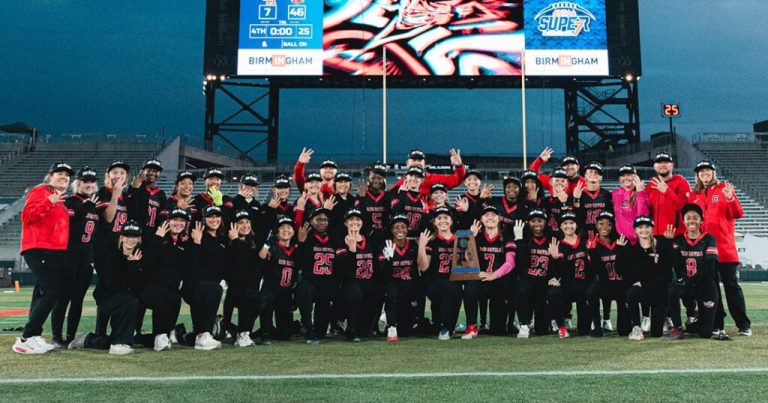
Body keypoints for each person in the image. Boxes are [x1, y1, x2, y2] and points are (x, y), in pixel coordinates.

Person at [13, 162, 74, 354]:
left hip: (52, 250)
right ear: (50, 176)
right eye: (60, 174)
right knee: (52, 291)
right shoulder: (42, 191)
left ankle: (34, 335)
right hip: (39, 248)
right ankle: (25, 338)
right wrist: (49, 201)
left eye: (67, 175)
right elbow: (27, 216)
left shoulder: (59, 198)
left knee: (41, 293)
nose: (64, 177)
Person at [689, 160, 751, 336]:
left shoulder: (724, 188)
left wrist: (730, 198)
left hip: (725, 248)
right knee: (712, 290)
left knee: (732, 287)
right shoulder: (695, 194)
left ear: (713, 173)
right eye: (701, 171)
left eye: (707, 170)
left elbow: (738, 213)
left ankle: (744, 325)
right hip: (706, 252)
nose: (704, 173)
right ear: (698, 175)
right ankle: (717, 324)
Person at [70, 221, 143, 355]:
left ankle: (89, 339)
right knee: (130, 302)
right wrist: (130, 265)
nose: (130, 240)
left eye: (134, 237)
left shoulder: (140, 256)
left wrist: (133, 265)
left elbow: (137, 284)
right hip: (107, 298)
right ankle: (119, 343)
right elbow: (111, 282)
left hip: (123, 300)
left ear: (139, 239)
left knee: (131, 301)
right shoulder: (112, 254)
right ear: (121, 237)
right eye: (127, 236)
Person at [51, 167, 99, 348]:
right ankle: (56, 337)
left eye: (92, 182)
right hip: (68, 257)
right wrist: (86, 206)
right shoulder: (69, 201)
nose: (89, 185)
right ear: (77, 183)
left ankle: (70, 337)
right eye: (85, 181)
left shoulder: (95, 204)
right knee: (63, 298)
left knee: (78, 299)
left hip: (86, 259)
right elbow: (69, 221)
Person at [667, 203, 729, 341]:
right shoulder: (678, 240)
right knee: (672, 291)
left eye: (695, 217)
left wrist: (692, 281)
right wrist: (668, 242)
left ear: (701, 220)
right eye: (688, 218)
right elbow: (676, 264)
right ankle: (677, 328)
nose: (692, 221)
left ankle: (696, 322)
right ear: (683, 221)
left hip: (704, 284)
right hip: (687, 284)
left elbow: (710, 266)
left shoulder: (709, 239)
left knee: (705, 333)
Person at [135, 208, 189, 351]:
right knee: (166, 297)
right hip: (148, 288)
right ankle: (160, 335)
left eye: (182, 221)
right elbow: (146, 262)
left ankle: (161, 335)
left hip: (170, 290)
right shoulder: (155, 238)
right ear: (167, 221)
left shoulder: (183, 244)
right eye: (175, 220)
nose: (178, 223)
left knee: (175, 298)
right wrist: (157, 238)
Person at [465, 206, 517, 337]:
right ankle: (471, 326)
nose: (490, 218)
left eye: (493, 215)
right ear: (481, 219)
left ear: (499, 218)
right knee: (470, 287)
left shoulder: (506, 236)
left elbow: (510, 263)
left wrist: (494, 275)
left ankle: (501, 324)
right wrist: (471, 237)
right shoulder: (477, 236)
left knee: (498, 331)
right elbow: (466, 259)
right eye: (486, 215)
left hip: (499, 281)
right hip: (481, 279)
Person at [622, 216, 675, 340]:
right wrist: (620, 249)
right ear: (635, 230)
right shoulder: (632, 249)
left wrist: (645, 283)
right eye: (640, 227)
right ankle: (636, 327)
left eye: (647, 227)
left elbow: (667, 275)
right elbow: (627, 273)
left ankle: (659, 320)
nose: (644, 230)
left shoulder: (660, 247)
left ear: (652, 229)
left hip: (657, 293)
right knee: (631, 292)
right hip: (642, 293)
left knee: (656, 334)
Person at [513, 209, 564, 338]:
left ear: (545, 222)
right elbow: (520, 263)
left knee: (542, 330)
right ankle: (524, 324)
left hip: (544, 283)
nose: (537, 224)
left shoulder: (552, 239)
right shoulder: (525, 238)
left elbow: (558, 264)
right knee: (521, 287)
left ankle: (554, 321)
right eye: (533, 221)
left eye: (540, 221)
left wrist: (556, 276)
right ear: (528, 223)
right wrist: (519, 241)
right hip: (529, 282)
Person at [182, 205, 226, 350]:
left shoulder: (222, 238)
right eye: (210, 217)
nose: (214, 220)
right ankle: (203, 335)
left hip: (209, 286)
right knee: (213, 288)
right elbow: (190, 265)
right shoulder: (197, 235)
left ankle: (196, 335)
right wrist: (196, 243)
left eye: (217, 216)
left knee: (213, 288)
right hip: (193, 284)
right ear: (204, 219)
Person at [295, 208, 340, 344]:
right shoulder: (306, 237)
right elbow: (297, 262)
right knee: (305, 290)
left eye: (325, 219)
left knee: (320, 333)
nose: (322, 222)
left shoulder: (333, 238)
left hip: (326, 284)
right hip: (310, 282)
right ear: (311, 221)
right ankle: (307, 328)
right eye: (318, 219)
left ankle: (306, 328)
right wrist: (301, 243)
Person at [337, 209, 382, 341]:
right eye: (351, 219)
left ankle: (370, 325)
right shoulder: (340, 241)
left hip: (368, 282)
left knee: (364, 332)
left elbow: (376, 264)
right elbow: (342, 270)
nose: (355, 222)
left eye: (358, 219)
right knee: (355, 292)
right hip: (350, 283)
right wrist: (351, 250)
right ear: (345, 223)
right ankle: (350, 327)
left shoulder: (369, 240)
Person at [418, 207, 462, 340]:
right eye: (439, 218)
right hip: (434, 282)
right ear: (434, 222)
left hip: (454, 281)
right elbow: (424, 267)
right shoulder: (432, 241)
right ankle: (445, 326)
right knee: (448, 286)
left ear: (451, 221)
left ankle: (446, 326)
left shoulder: (460, 239)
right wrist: (421, 246)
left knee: (455, 287)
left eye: (446, 217)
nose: (443, 220)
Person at [224, 210, 267, 347]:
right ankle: (241, 333)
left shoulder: (252, 244)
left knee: (258, 298)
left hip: (249, 289)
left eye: (247, 222)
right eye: (241, 222)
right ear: (233, 226)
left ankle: (243, 333)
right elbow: (241, 264)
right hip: (235, 291)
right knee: (256, 298)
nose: (245, 225)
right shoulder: (229, 244)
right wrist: (235, 240)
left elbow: (254, 268)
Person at [586, 211, 630, 337]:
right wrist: (593, 253)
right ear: (596, 225)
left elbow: (626, 268)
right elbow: (596, 270)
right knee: (592, 290)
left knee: (624, 331)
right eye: (601, 223)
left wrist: (621, 250)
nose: (605, 227)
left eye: (609, 224)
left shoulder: (621, 241)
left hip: (622, 286)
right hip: (607, 285)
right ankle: (597, 326)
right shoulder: (593, 244)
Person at [549, 211, 591, 336]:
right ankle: (561, 326)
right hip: (568, 285)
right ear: (560, 227)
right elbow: (557, 269)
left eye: (571, 223)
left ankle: (590, 322)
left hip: (584, 284)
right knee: (553, 292)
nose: (568, 226)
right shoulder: (559, 245)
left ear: (576, 225)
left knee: (584, 331)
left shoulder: (585, 241)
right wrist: (555, 259)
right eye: (565, 223)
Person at [258, 217, 299, 345]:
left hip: (285, 293)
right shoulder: (272, 248)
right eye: (282, 227)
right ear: (277, 232)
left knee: (285, 334)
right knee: (266, 299)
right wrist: (267, 244)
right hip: (271, 290)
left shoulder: (296, 250)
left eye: (289, 227)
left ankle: (287, 327)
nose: (286, 230)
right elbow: (261, 258)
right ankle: (264, 332)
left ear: (293, 231)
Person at [379, 214, 419, 342]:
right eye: (396, 227)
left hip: (408, 284)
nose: (400, 230)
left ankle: (405, 320)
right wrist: (387, 260)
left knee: (406, 332)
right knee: (392, 292)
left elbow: (415, 271)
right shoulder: (386, 245)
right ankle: (391, 326)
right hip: (392, 283)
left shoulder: (413, 246)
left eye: (403, 226)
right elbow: (383, 273)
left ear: (408, 229)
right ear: (391, 230)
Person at [645, 152, 690, 237]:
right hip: (654, 235)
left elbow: (685, 207)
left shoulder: (681, 182)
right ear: (654, 166)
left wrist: (667, 192)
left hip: (675, 234)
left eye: (665, 162)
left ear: (672, 165)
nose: (662, 165)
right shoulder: (651, 184)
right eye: (659, 162)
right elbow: (646, 209)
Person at [389, 149, 466, 196]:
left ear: (425, 164)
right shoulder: (402, 184)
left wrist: (459, 166)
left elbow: (456, 180)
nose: (416, 163)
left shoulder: (434, 179)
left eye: (419, 160)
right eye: (414, 160)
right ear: (407, 163)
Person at [127, 159, 167, 239]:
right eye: (149, 170)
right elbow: (130, 209)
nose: (152, 173)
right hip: (134, 232)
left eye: (155, 171)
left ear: (159, 174)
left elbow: (162, 218)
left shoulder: (161, 194)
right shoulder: (135, 187)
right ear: (143, 172)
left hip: (152, 234)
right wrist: (135, 189)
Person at [573, 162, 613, 240]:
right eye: (590, 172)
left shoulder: (607, 194)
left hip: (603, 235)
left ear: (601, 177)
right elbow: (575, 217)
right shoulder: (578, 193)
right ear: (585, 176)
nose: (593, 174)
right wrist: (576, 199)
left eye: (596, 172)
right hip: (583, 235)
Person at [612, 165, 650, 244]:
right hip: (622, 240)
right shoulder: (615, 193)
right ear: (619, 179)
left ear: (635, 177)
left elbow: (643, 215)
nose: (626, 178)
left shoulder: (643, 193)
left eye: (629, 175)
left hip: (641, 239)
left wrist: (640, 192)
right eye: (623, 175)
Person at [355, 162, 392, 242]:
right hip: (365, 238)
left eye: (379, 178)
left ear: (384, 179)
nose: (376, 181)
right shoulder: (362, 196)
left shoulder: (388, 196)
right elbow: (357, 219)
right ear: (368, 177)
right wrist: (361, 199)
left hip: (383, 238)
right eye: (373, 177)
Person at [391, 167, 430, 238]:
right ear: (406, 177)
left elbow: (425, 225)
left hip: (416, 239)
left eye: (417, 177)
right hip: (398, 238)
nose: (414, 178)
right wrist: (402, 195)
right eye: (411, 175)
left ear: (422, 180)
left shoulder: (424, 199)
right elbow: (395, 214)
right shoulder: (396, 194)